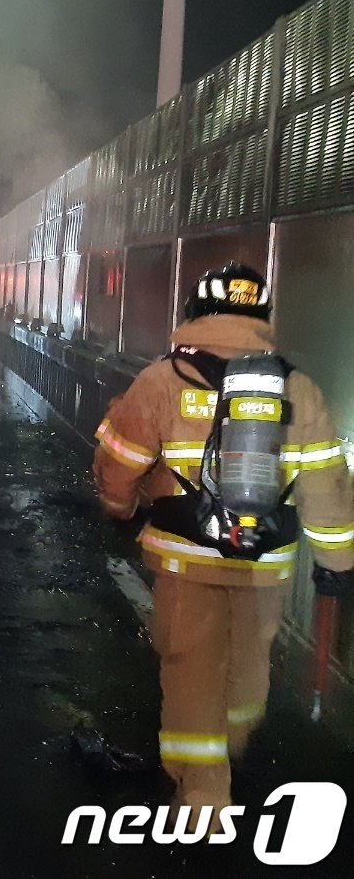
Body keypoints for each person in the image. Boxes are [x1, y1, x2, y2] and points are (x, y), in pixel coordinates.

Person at [93, 262, 354, 817]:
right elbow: (327, 481)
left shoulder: (164, 380)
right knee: (248, 666)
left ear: (193, 313)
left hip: (187, 562)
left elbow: (119, 465)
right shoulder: (297, 387)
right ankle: (232, 748)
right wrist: (337, 561)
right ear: (262, 318)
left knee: (191, 668)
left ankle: (203, 799)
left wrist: (119, 512)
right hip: (265, 564)